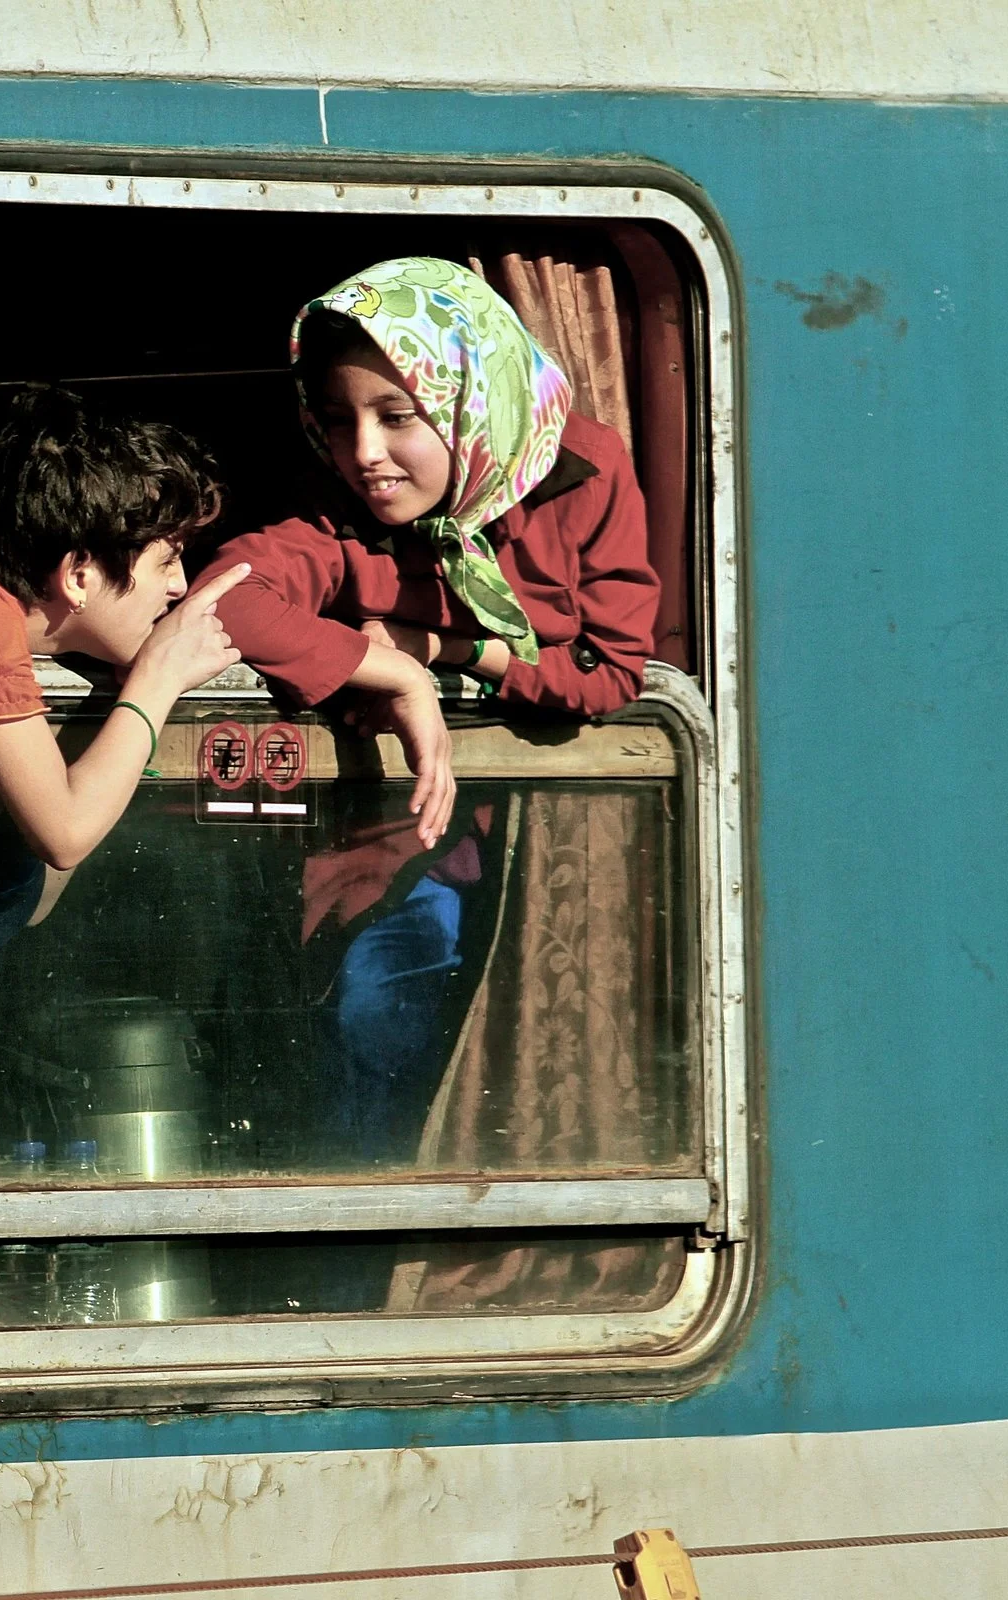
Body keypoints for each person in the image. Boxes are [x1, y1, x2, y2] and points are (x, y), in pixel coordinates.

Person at [201, 256, 659, 1163]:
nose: (364, 452)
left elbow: (612, 670)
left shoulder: (583, 470)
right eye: (339, 422)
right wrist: (391, 674)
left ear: (465, 400)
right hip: (380, 855)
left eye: (397, 416)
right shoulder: (339, 515)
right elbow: (227, 597)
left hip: (553, 866)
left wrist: (450, 652)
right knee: (368, 1054)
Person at [0, 383, 247, 1023]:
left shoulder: (6, 629)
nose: (178, 586)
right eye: (168, 559)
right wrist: (159, 678)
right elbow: (62, 834)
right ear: (79, 575)